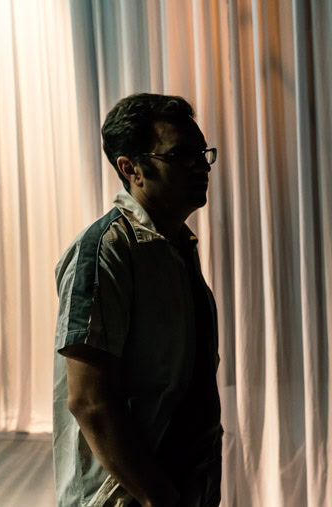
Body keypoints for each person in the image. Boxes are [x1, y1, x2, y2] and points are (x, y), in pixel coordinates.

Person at [53, 93, 222, 506]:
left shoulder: (176, 245)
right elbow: (89, 400)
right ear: (131, 169)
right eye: (181, 154)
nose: (200, 165)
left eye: (201, 152)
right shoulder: (105, 250)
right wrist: (158, 497)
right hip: (124, 495)